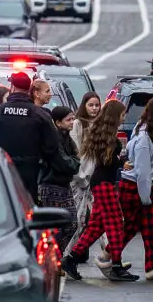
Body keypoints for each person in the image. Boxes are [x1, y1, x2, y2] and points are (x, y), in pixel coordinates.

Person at [61, 99, 138, 282]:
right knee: (116, 225)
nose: (123, 117)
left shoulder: (101, 132)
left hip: (100, 183)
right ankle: (117, 265)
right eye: (122, 114)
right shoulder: (109, 137)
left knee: (96, 226)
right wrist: (122, 162)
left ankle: (70, 259)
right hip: (105, 185)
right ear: (115, 116)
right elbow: (107, 161)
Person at [0, 70, 63, 202]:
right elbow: (53, 147)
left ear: (13, 87)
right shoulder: (40, 115)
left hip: (2, 171)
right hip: (30, 173)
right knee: (27, 208)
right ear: (29, 90)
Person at [116, 97, 153, 280]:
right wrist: (146, 197)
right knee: (130, 227)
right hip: (137, 188)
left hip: (145, 187)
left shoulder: (152, 133)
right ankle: (108, 255)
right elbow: (142, 172)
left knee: (152, 229)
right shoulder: (144, 138)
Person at [39, 106, 81, 268]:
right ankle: (50, 260)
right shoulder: (53, 138)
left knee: (72, 224)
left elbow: (74, 159)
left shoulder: (67, 138)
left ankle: (55, 257)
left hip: (64, 184)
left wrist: (74, 162)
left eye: (73, 118)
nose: (72, 122)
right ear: (57, 122)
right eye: (68, 119)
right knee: (57, 226)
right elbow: (65, 162)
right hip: (51, 186)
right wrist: (74, 163)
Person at [66, 92, 101, 255]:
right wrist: (80, 177)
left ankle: (109, 257)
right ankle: (67, 256)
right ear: (84, 106)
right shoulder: (78, 124)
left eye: (97, 105)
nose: (94, 108)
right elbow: (75, 151)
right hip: (81, 179)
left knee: (102, 220)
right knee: (78, 220)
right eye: (91, 105)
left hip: (97, 179)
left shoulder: (101, 124)